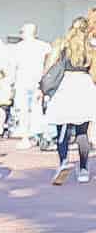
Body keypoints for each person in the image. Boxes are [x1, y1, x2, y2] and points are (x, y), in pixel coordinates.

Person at [44, 14, 95, 185]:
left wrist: (43, 83)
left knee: (62, 129)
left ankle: (64, 161)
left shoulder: (62, 44)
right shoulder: (90, 47)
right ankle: (83, 169)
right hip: (85, 86)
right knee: (82, 132)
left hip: (66, 86)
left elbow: (50, 64)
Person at [13, 22, 51, 145]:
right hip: (35, 82)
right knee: (35, 109)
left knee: (25, 110)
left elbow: (13, 66)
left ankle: (27, 137)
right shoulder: (44, 46)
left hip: (26, 82)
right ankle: (35, 136)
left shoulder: (18, 48)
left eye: (22, 31)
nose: (21, 34)